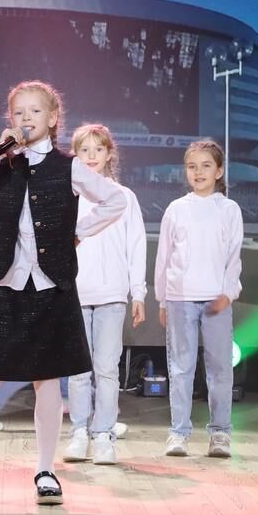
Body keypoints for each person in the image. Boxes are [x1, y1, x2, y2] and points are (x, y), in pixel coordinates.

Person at [0, 80, 125, 506]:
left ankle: (45, 469)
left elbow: (115, 202)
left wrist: (75, 233)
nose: (26, 118)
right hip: (7, 282)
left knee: (47, 380)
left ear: (53, 118)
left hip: (51, 284)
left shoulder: (69, 166)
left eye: (35, 111)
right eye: (19, 112)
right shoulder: (1, 163)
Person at [63, 124, 147, 466]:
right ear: (75, 155)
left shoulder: (124, 197)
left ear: (109, 154)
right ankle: (78, 433)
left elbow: (136, 246)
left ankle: (103, 434)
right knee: (78, 370)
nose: (91, 156)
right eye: (84, 150)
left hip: (113, 295)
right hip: (75, 295)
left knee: (107, 368)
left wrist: (138, 292)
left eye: (98, 149)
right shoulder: (68, 197)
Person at [154, 139, 243, 459]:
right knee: (181, 368)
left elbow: (234, 258)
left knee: (220, 370)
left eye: (206, 166)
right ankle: (178, 433)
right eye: (192, 166)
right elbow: (164, 257)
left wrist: (228, 293)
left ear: (219, 171)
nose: (198, 172)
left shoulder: (229, 210)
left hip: (216, 301)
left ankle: (220, 433)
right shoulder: (176, 209)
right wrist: (162, 300)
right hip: (180, 300)